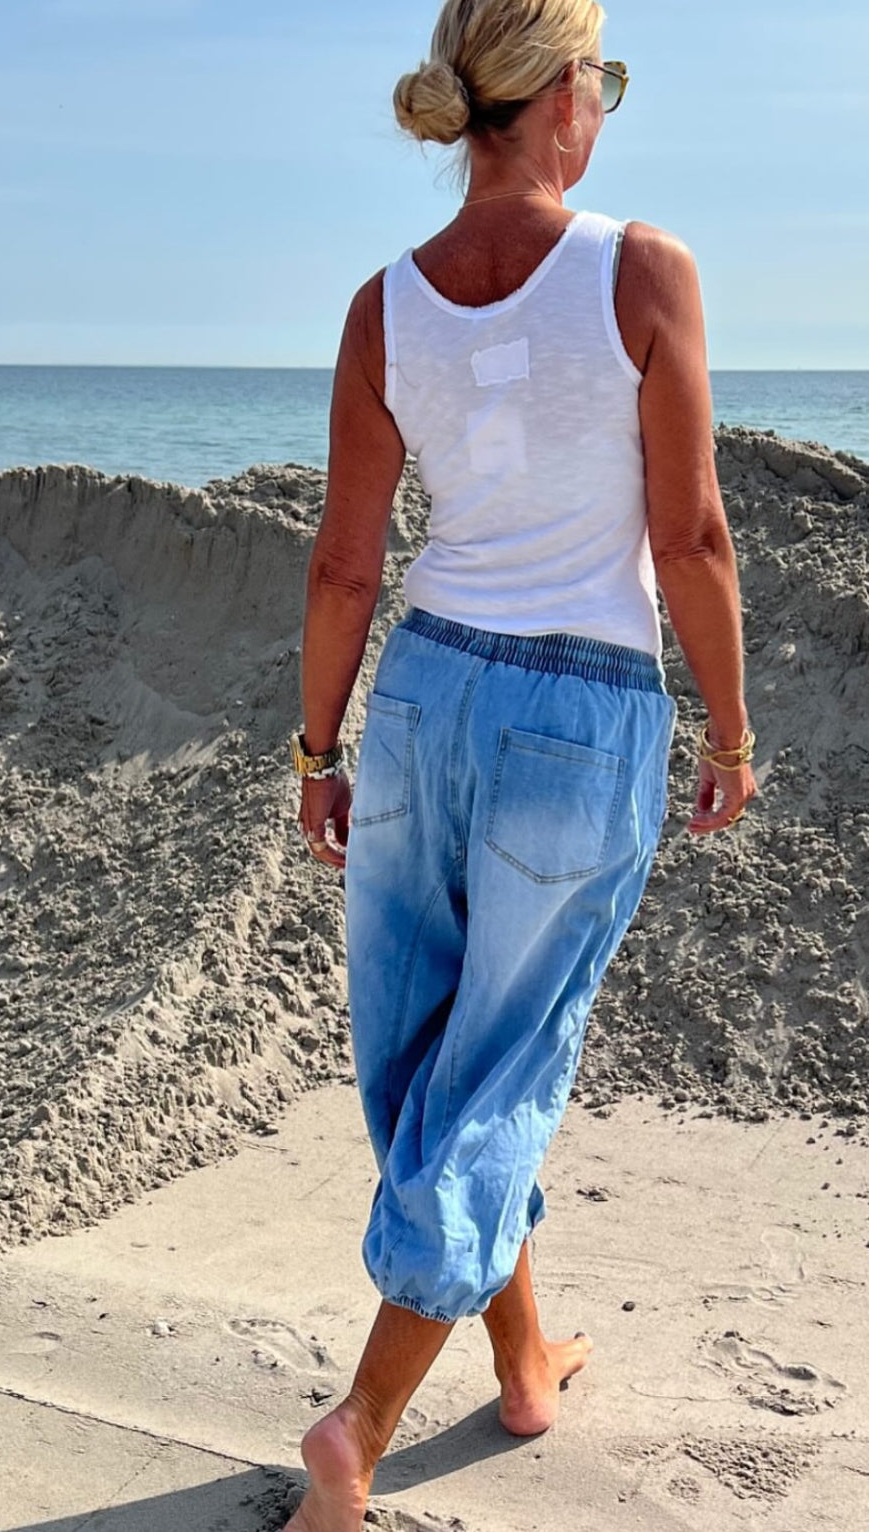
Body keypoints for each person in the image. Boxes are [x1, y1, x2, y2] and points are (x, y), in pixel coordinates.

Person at [288, 1, 757, 1526]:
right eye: (602, 78)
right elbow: (691, 535)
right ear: (564, 93)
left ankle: (524, 1365)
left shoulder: (384, 305)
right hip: (581, 706)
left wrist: (317, 748)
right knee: (502, 1064)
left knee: (438, 1056)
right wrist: (733, 730)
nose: (603, 103)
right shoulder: (642, 269)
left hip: (424, 694)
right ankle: (360, 1426)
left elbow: (344, 564)